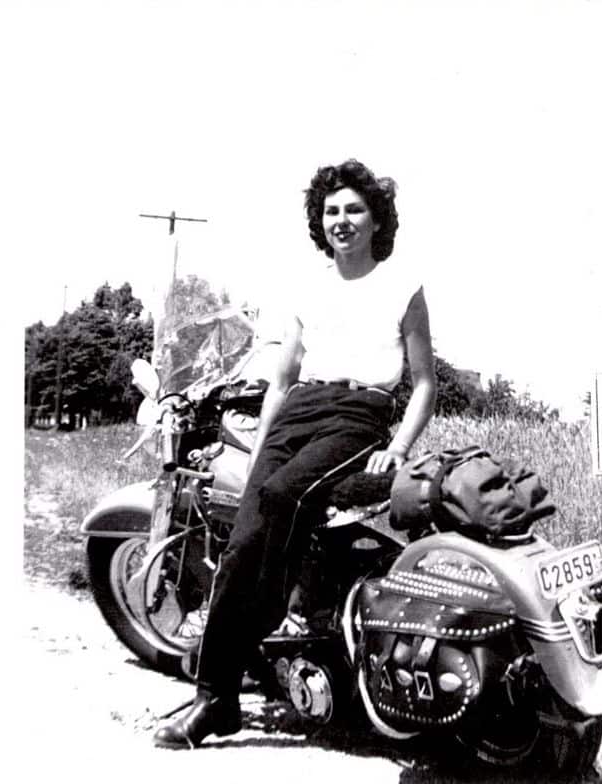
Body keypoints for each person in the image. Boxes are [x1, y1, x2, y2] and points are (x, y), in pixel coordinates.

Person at [153, 158, 437, 749]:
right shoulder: (307, 286)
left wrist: (398, 447)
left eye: (354, 209)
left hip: (358, 415)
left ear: (377, 219)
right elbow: (281, 382)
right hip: (299, 410)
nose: (341, 220)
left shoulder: (403, 287)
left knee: (284, 497)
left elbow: (424, 384)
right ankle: (216, 698)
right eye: (331, 211)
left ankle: (258, 636)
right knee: (241, 543)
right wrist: (260, 450)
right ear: (319, 220)